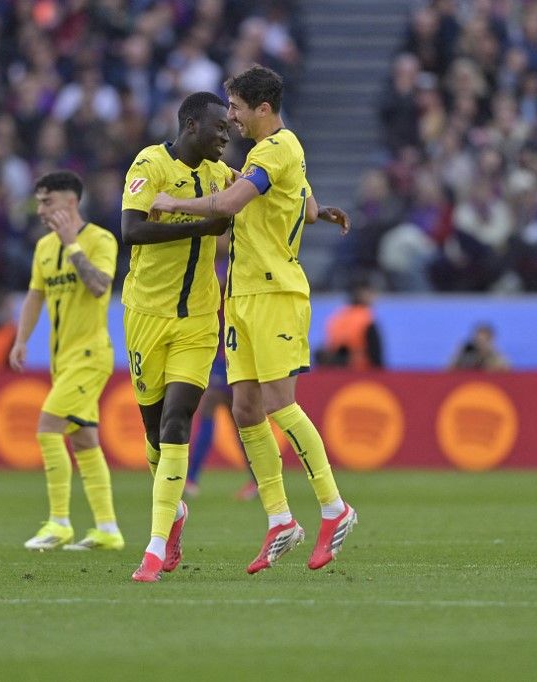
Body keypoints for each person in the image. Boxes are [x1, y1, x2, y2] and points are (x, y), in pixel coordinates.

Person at [151, 65, 357, 575]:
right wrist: (320, 211)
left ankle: (335, 507)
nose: (232, 118)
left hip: (275, 294)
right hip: (239, 295)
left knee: (279, 405)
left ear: (263, 108)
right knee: (245, 408)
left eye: (238, 108)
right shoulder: (277, 154)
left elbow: (228, 203)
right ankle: (280, 519)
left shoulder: (274, 151)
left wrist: (172, 202)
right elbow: (303, 206)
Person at [119, 92, 235, 582]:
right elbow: (132, 230)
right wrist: (203, 227)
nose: (225, 139)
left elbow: (266, 190)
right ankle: (176, 513)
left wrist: (314, 208)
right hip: (147, 314)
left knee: (176, 421)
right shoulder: (150, 163)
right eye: (218, 130)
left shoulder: (221, 176)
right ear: (191, 126)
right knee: (152, 432)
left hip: (199, 319)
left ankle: (154, 545)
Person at [9, 171, 123, 553]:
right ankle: (107, 529)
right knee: (85, 440)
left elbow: (100, 286)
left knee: (47, 428)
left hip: (91, 355)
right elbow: (34, 296)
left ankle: (59, 522)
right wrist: (21, 340)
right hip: (63, 360)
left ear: (71, 202)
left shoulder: (100, 239)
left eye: (48, 202)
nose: (40, 209)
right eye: (38, 202)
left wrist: (73, 246)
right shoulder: (43, 248)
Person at [185, 234, 258, 501]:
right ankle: (258, 479)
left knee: (223, 411)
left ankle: (192, 478)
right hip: (217, 350)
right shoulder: (210, 264)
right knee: (236, 416)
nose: (218, 239)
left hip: (231, 349)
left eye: (222, 234)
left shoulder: (234, 265)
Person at [316, 279, 384, 369]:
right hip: (362, 374)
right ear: (363, 293)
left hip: (336, 373)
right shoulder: (366, 319)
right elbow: (376, 355)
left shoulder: (337, 317)